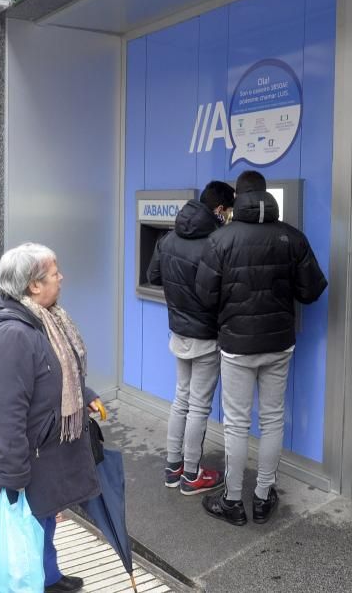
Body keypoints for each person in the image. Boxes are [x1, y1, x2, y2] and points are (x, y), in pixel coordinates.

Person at [195, 170, 327, 526]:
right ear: (266, 196)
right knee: (272, 420)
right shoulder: (292, 237)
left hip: (237, 345)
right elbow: (312, 290)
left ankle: (233, 501)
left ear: (238, 196)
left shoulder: (220, 239)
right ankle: (264, 496)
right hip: (279, 343)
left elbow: (205, 295)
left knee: (237, 424)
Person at [0, 242, 105, 593]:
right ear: (33, 285)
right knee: (29, 523)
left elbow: (58, 372)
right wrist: (12, 474)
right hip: (25, 457)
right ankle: (35, 581)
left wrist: (86, 397)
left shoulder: (43, 318)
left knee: (45, 518)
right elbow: (3, 413)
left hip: (45, 451)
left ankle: (48, 577)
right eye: (54, 272)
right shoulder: (11, 334)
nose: (61, 278)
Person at [146, 181, 235, 495]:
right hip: (207, 336)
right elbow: (222, 292)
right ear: (220, 210)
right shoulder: (215, 243)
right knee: (198, 406)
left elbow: (153, 277)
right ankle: (193, 474)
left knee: (181, 400)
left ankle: (174, 468)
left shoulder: (168, 238)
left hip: (179, 332)